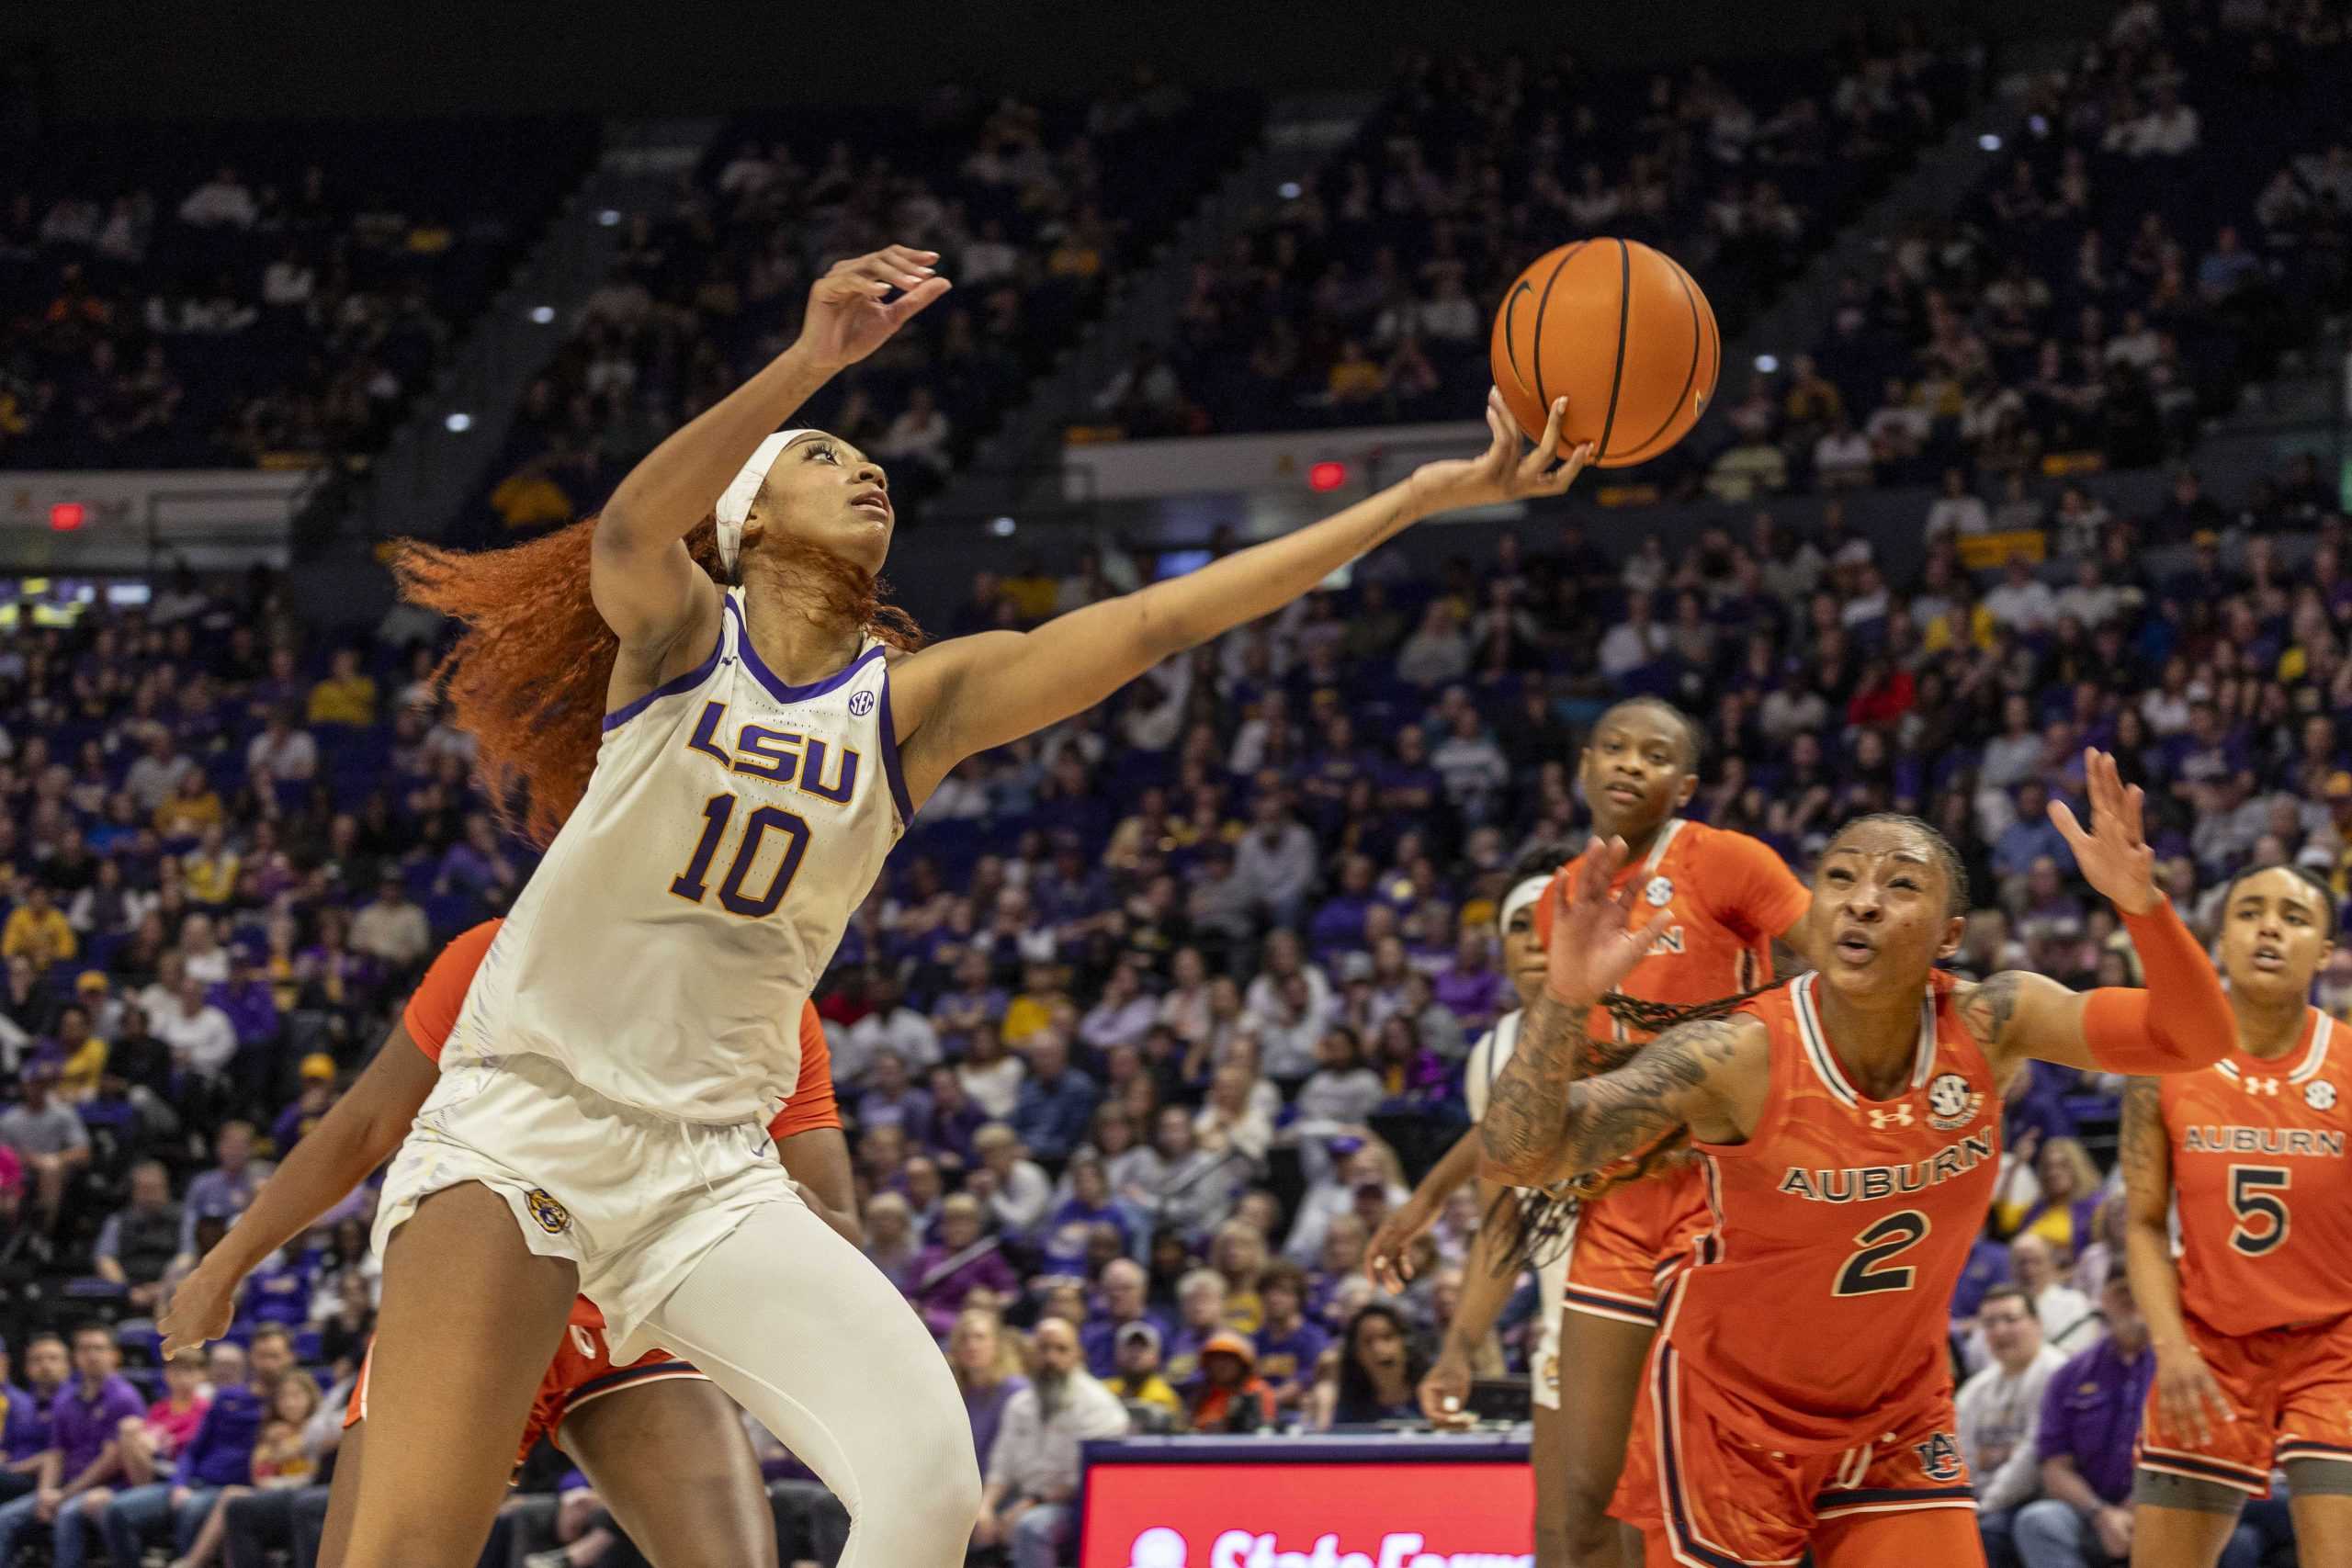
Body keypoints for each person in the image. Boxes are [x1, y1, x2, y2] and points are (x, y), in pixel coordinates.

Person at [348, 232, 1590, 1565]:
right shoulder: (676, 635)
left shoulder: (915, 707)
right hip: (523, 1125)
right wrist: (807, 361)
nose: (863, 465)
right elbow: (639, 523)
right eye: (822, 457)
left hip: (706, 1166)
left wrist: (1412, 499)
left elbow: (1159, 625)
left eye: (864, 455)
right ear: (750, 522)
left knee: (932, 1484)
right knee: (408, 1545)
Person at [1479, 753, 2236, 1566]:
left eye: (1901, 885)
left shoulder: (1991, 1021)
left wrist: (2142, 905)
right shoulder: (1738, 1053)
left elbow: (2197, 1038)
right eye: (1841, 879)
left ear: (1949, 935)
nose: (1865, 900)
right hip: (1731, 1422)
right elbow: (1522, 1154)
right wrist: (1563, 999)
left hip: (1896, 1419)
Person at [157, 919, 855, 1568]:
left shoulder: (768, 1004)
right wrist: (223, 1265)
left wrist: (761, 1192)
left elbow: (839, 1226)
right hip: (475, 1288)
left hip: (633, 1307)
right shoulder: (503, 949)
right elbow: (367, 1124)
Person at [1369, 701, 1815, 1568]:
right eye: (1613, 748)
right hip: (1611, 1207)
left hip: (1723, 1202)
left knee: (1712, 1493)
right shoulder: (1567, 901)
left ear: (1683, 783)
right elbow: (1530, 1108)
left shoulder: (1726, 860)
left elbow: (1839, 965)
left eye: (1653, 755)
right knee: (1584, 1506)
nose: (1628, 765)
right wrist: (1431, 1200)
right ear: (1581, 765)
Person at [2124, 863, 2352, 1566]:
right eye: (2251, 911)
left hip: (2335, 1345)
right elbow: (2141, 1221)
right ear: (2219, 939)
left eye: (2295, 916)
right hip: (2209, 1347)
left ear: (2326, 951)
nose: (2271, 928)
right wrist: (2172, 1347)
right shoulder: (2163, 1062)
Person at [2006, 1269, 2153, 1568]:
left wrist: (2141, 1505)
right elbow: (2054, 1467)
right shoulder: (2069, 1374)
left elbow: (2196, 1454)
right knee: (2038, 1521)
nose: (2131, 1299)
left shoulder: (2183, 1367)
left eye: (2140, 1288)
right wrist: (2101, 1514)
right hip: (2090, 1510)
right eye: (2121, 1291)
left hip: (2166, 1505)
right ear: (2101, 1299)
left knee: (2232, 1534)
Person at [974, 1316, 1129, 1568]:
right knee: (969, 1519)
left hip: (1079, 1507)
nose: (1051, 1358)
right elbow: (1001, 1467)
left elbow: (1086, 1480)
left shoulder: (1098, 1405)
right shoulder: (1019, 1404)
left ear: (1078, 1354)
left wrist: (1031, 1503)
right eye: (1043, 1349)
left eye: (1061, 1349)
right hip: (1027, 1499)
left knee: (1032, 1526)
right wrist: (985, 1508)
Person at [0, 1324, 142, 1566]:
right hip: (67, 1487)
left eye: (99, 1348)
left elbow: (110, 1461)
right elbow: (56, 1453)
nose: (92, 1355)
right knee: (4, 1519)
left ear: (114, 1355)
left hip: (111, 1487)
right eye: (85, 1349)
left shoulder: (124, 1397)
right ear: (76, 1357)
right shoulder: (66, 1400)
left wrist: (66, 1494)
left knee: (67, 1514)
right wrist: (46, 1492)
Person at [1961, 1284, 2066, 1557]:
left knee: (1987, 1533)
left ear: (2038, 1324)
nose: (2000, 1331)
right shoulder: (1976, 1389)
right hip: (1983, 1503)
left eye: (2010, 1319)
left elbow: (2031, 1457)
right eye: (1990, 1323)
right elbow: (1961, 1456)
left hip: (2036, 1498)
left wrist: (1984, 1508)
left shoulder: (2056, 1372)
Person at [1319, 1303, 1427, 1427]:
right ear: (1357, 1354)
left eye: (1387, 1337)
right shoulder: (1349, 1411)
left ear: (1406, 1343)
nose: (1378, 1348)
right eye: (1368, 1341)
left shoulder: (1432, 1397)